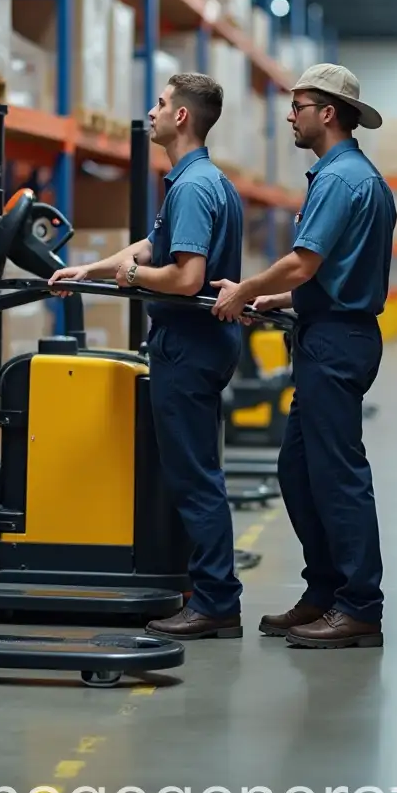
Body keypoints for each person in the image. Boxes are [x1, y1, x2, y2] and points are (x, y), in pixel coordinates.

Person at [48, 72, 245, 640]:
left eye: (160, 104)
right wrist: (94, 268)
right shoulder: (206, 181)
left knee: (194, 477)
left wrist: (133, 277)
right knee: (194, 470)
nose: (152, 111)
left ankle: (214, 602)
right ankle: (203, 587)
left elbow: (184, 278)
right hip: (200, 345)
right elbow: (151, 245)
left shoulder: (191, 188)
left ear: (181, 117)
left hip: (187, 346)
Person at [211, 63, 396, 649]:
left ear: (328, 113)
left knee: (338, 475)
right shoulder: (347, 176)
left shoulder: (341, 180)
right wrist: (275, 298)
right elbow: (329, 273)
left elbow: (305, 261)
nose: (290, 115)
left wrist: (242, 289)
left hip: (336, 342)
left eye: (299, 106)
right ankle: (325, 592)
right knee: (298, 470)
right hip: (329, 331)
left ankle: (360, 604)